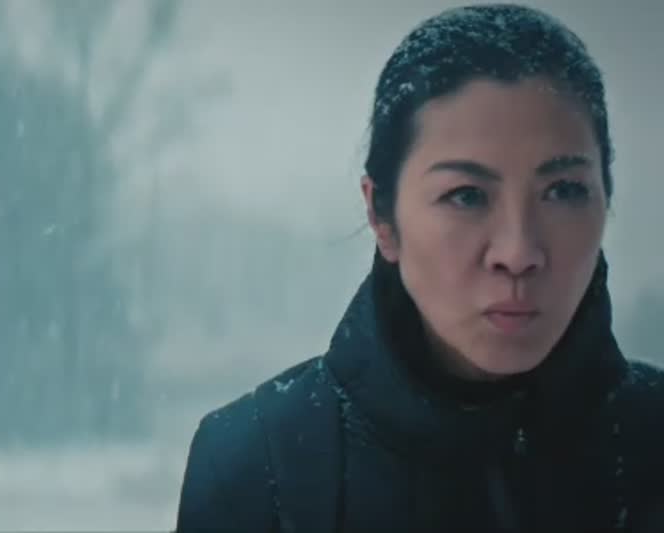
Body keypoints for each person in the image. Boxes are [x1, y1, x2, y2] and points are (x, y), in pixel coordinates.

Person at [176, 4, 664, 532]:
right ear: (381, 216)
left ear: (606, 197)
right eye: (466, 195)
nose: (518, 252)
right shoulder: (256, 466)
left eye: (563, 190)